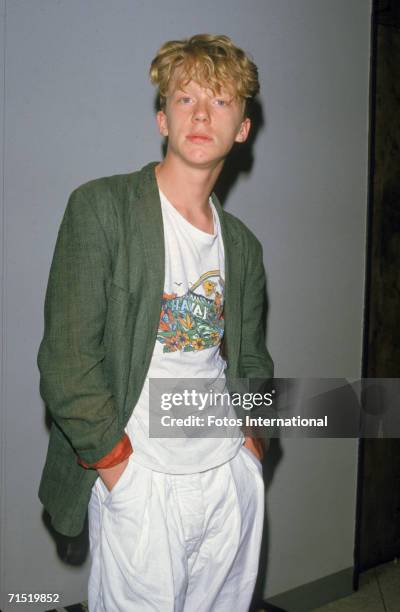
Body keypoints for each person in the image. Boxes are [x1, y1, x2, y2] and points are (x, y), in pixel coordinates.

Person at [37, 33, 274, 612]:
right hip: (142, 480)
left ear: (242, 129)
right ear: (162, 118)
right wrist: (119, 470)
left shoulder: (242, 246)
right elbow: (67, 361)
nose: (200, 112)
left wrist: (253, 448)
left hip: (227, 480)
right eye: (185, 97)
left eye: (220, 101)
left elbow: (250, 360)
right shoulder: (102, 208)